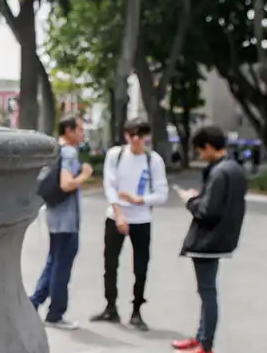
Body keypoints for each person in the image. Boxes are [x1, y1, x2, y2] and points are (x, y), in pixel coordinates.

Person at [171, 126, 247, 353]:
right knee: (207, 291)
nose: (200, 155)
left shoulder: (219, 173)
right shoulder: (234, 168)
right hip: (223, 238)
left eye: (201, 150)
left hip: (208, 240)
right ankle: (201, 336)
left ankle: (205, 345)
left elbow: (207, 211)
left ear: (211, 147)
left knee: (207, 293)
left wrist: (190, 200)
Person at [91, 118, 169, 330]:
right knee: (110, 263)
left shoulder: (153, 160)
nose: (135, 139)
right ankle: (110, 307)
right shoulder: (115, 156)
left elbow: (162, 193)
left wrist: (140, 200)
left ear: (147, 137)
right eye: (131, 135)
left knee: (140, 266)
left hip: (141, 218)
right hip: (115, 216)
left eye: (140, 135)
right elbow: (109, 185)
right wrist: (119, 213)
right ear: (126, 136)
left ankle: (137, 310)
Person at [30, 116, 93, 330]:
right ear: (69, 130)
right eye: (80, 129)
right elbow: (66, 184)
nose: (82, 134)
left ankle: (34, 302)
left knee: (53, 262)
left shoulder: (55, 149)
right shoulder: (68, 152)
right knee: (61, 266)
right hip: (66, 219)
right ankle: (56, 313)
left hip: (55, 215)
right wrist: (84, 175)